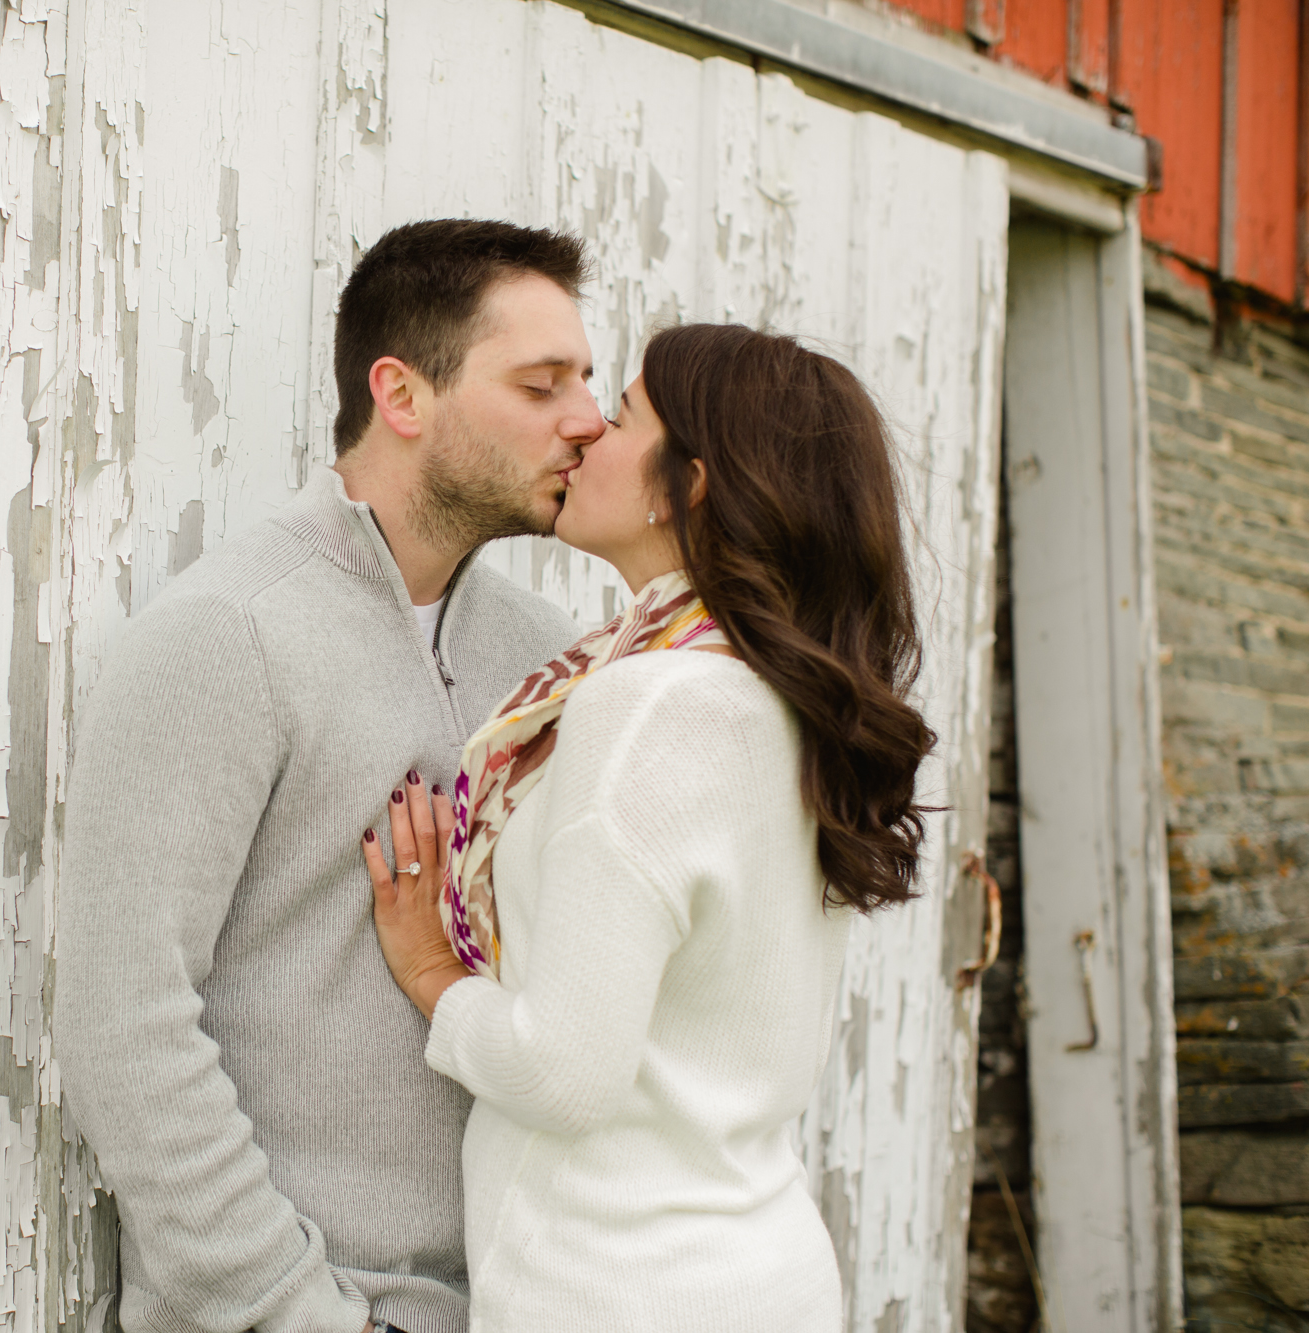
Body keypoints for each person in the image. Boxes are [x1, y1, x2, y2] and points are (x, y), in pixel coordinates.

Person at [54, 219, 608, 1333]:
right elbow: (124, 1021)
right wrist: (294, 1312)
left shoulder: (544, 657)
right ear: (401, 396)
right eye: (541, 384)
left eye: (585, 382)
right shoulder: (228, 636)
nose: (586, 420)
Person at [366, 323, 935, 1331]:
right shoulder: (776, 696)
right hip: (751, 1273)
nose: (583, 429)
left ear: (691, 483)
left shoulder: (652, 707)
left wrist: (430, 976)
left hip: (617, 1289)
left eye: (623, 413)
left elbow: (562, 1071)